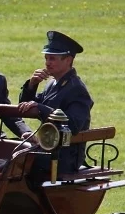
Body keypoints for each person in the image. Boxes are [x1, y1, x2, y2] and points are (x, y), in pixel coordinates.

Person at [18, 30, 93, 175]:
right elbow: (25, 108)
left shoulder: (76, 89)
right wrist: (32, 85)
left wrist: (40, 108)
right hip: (47, 148)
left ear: (68, 60)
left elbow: (73, 125)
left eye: (52, 59)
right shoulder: (52, 84)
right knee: (9, 151)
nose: (47, 63)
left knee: (19, 160)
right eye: (46, 58)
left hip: (64, 155)